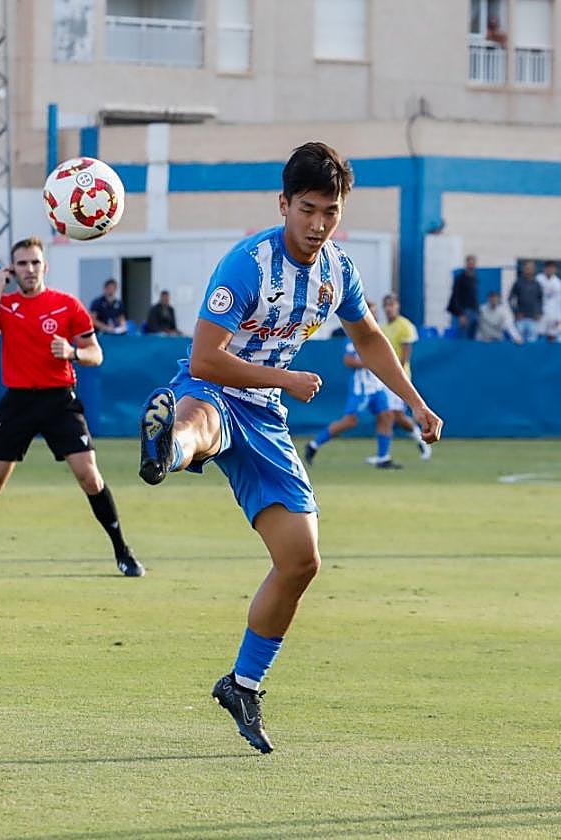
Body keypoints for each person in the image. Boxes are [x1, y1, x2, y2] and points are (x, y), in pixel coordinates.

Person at [137, 142, 442, 753]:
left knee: (302, 559)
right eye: (307, 209)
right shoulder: (246, 264)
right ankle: (167, 447)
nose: (318, 224)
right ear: (283, 204)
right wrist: (285, 378)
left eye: (330, 211)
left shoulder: (338, 272)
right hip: (215, 386)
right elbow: (204, 359)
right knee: (199, 422)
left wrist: (414, 401)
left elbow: (372, 339)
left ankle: (243, 684)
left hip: (267, 417)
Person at [0, 236, 144, 578]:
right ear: (12, 269)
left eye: (35, 262)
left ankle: (123, 552)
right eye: (22, 263)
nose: (29, 269)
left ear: (45, 266)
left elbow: (96, 354)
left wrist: (73, 353)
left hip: (59, 399)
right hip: (18, 401)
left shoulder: (67, 305)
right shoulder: (5, 305)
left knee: (89, 476)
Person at [303, 337, 399, 469]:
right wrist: (370, 362)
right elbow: (348, 360)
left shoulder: (377, 332)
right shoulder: (354, 334)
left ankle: (383, 458)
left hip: (377, 385)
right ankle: (314, 444)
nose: (375, 315)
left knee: (387, 416)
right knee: (350, 421)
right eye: (372, 314)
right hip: (361, 387)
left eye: (376, 314)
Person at [377, 293, 432, 461]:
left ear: (398, 306)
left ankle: (421, 440)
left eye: (391, 304)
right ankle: (383, 454)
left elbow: (405, 357)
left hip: (398, 378)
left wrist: (395, 376)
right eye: (386, 305)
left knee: (394, 414)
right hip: (384, 377)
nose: (389, 308)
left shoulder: (405, 326)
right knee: (387, 414)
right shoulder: (383, 327)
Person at [508, 260, 543, 343]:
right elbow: (510, 299)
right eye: (527, 268)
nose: (529, 270)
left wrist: (539, 312)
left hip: (533, 318)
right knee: (519, 341)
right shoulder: (518, 283)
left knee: (532, 342)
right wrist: (516, 312)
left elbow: (540, 300)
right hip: (521, 318)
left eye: (531, 268)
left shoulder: (537, 284)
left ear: (534, 270)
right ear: (524, 269)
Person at [447, 255, 481, 339]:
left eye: (473, 263)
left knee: (473, 336)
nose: (471, 266)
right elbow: (455, 297)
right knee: (463, 336)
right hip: (465, 312)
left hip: (474, 311)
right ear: (466, 264)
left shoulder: (474, 278)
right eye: (469, 263)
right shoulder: (460, 279)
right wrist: (461, 314)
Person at [538, 260, 561, 343]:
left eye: (552, 268)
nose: (550, 270)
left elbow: (560, 301)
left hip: (553, 313)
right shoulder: (538, 279)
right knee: (539, 333)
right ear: (544, 269)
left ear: (555, 270)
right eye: (548, 268)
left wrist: (559, 318)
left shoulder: (558, 283)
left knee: (552, 335)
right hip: (540, 313)